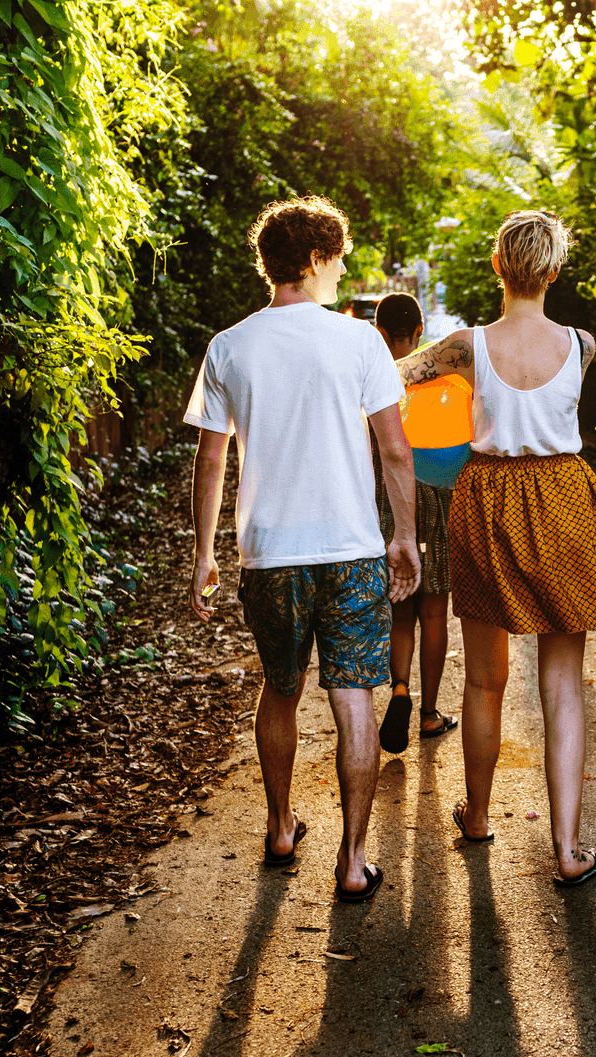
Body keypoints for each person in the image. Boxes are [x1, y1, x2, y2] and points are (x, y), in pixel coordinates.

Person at [395, 210, 596, 885]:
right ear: (556, 271)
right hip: (564, 495)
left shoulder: (464, 347)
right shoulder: (583, 344)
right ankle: (567, 850)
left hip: (486, 497)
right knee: (562, 684)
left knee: (483, 678)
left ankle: (477, 816)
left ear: (497, 267)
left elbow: (391, 379)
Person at [185, 196, 419, 901]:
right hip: (350, 549)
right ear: (314, 260)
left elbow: (210, 461)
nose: (341, 270)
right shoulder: (358, 342)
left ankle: (282, 827)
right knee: (354, 699)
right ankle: (352, 863)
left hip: (269, 553)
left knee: (280, 690)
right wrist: (404, 535)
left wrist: (203, 554)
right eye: (338, 258)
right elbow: (396, 452)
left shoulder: (230, 345)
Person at [370, 291, 461, 752]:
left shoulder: (373, 377)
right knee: (434, 611)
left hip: (393, 504)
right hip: (438, 502)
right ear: (420, 332)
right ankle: (428, 714)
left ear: (380, 333)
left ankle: (400, 689)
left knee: (401, 610)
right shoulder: (437, 375)